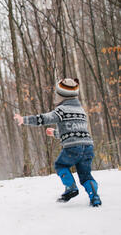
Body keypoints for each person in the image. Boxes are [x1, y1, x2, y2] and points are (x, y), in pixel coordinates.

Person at [14, 78, 101, 207]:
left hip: (72, 147)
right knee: (85, 174)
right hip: (88, 146)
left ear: (61, 96)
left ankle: (71, 187)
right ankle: (95, 197)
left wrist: (24, 120)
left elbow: (44, 119)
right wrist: (55, 133)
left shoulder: (62, 110)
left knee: (61, 165)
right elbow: (75, 130)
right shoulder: (81, 111)